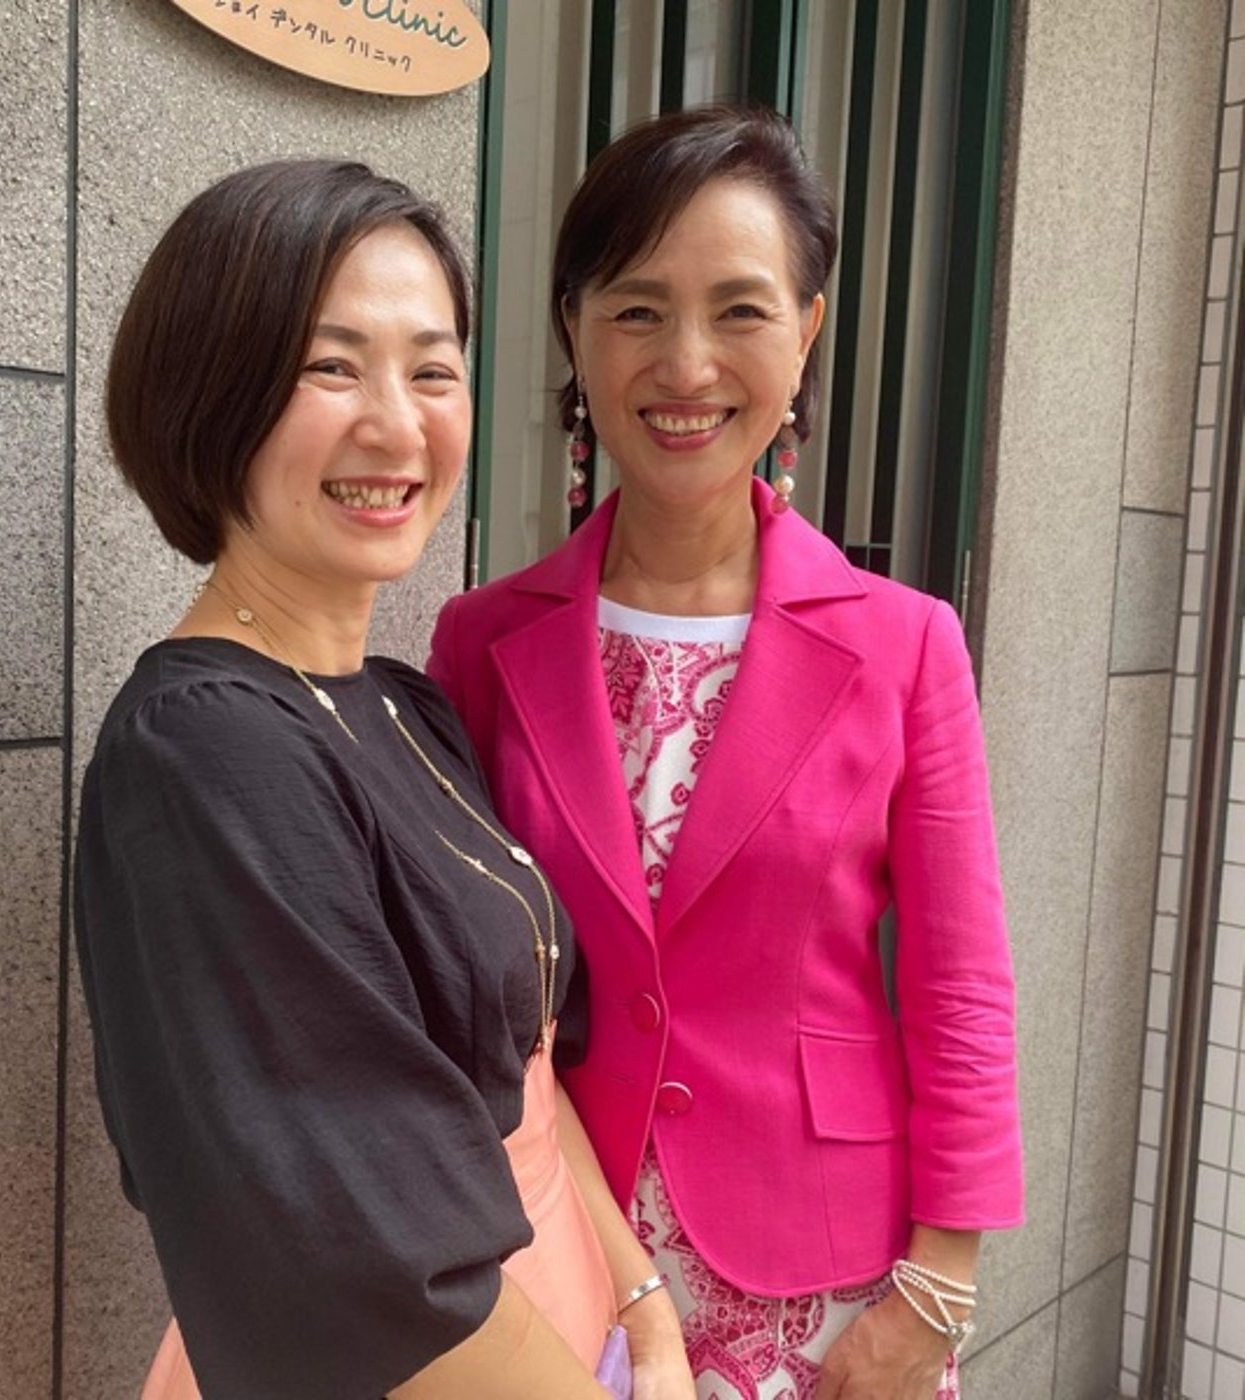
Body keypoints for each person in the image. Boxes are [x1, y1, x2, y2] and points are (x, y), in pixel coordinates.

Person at [428, 105, 1024, 1400]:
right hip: (562, 1259)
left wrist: (938, 1285)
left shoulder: (905, 645)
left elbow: (961, 989)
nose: (685, 363)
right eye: (636, 309)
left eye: (739, 310)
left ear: (805, 331)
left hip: (829, 1289)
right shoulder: (482, 642)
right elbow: (469, 984)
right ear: (574, 330)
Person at [74, 158, 692, 1400]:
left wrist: (644, 1311)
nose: (397, 426)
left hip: (566, 1326)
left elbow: (525, 1065)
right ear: (210, 390)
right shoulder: (204, 753)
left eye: (431, 369)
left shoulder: (405, 707)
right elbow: (364, 1267)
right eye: (331, 365)